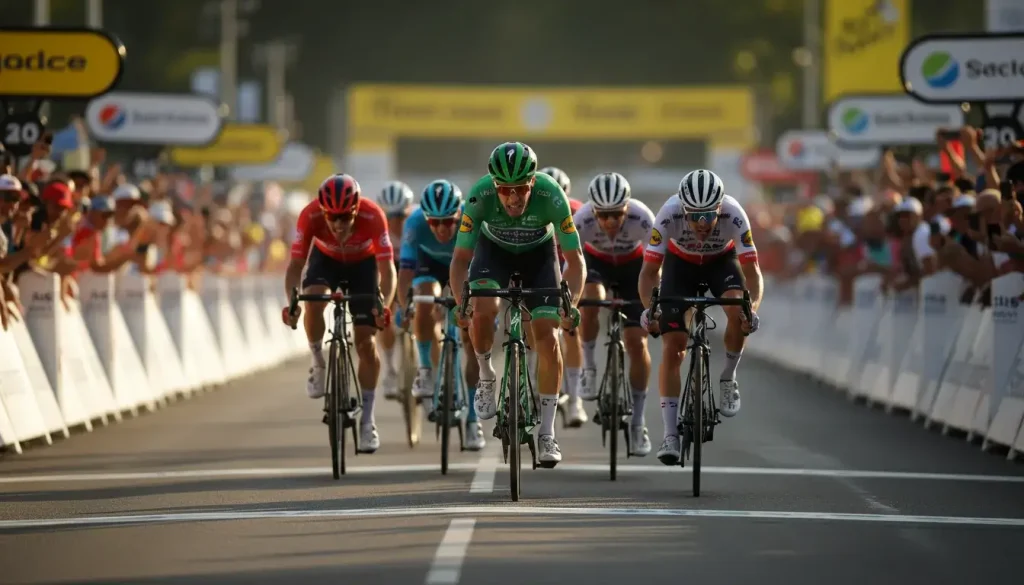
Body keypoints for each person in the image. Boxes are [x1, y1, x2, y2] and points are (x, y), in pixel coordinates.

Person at [450, 142, 586, 466]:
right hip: (492, 252)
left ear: (533, 184)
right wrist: (461, 304)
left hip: (539, 256)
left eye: (521, 189)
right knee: (481, 313)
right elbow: (459, 261)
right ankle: (485, 375)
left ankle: (548, 432)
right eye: (505, 190)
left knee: (548, 336)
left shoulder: (552, 196)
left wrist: (573, 304)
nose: (513, 198)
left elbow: (575, 260)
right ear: (494, 187)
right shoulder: (479, 196)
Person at [638, 169, 764, 466]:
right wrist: (649, 308)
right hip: (679, 266)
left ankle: (728, 376)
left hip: (722, 262)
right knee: (674, 348)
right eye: (695, 216)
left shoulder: (735, 215)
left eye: (709, 215)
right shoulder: (667, 215)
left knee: (737, 309)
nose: (703, 224)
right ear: (683, 210)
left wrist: (752, 309)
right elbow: (648, 273)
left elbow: (753, 273)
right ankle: (670, 434)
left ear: (720, 208)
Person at [282, 174, 396, 454]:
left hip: (363, 266)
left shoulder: (373, 215)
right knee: (315, 300)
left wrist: (384, 305)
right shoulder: (309, 216)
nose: (338, 224)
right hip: (326, 261)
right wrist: (292, 302)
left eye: (345, 217)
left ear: (356, 210)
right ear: (323, 212)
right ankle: (318, 361)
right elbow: (296, 266)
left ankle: (367, 421)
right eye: (331, 217)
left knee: (366, 343)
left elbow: (387, 268)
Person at [561, 172, 654, 454]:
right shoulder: (581, 220)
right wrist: (568, 301)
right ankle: (588, 366)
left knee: (638, 342)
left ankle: (638, 422)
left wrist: (655, 303)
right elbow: (571, 265)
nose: (610, 222)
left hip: (633, 269)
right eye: (604, 216)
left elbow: (657, 266)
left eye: (617, 215)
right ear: (593, 211)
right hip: (595, 264)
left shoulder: (643, 218)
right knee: (591, 299)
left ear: (628, 208)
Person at [396, 179, 486, 451]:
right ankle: (425, 369)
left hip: (467, 264)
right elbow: (405, 273)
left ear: (458, 216)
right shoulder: (414, 224)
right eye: (434, 222)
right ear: (425, 218)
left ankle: (472, 420)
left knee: (472, 344)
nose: (442, 228)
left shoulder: (473, 223)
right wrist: (404, 307)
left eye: (448, 222)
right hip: (430, 265)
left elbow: (485, 273)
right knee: (422, 297)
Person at [375, 181, 415, 399]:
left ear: (409, 210)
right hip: (389, 268)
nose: (395, 222)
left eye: (400, 216)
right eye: (389, 217)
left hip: (412, 268)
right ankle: (390, 368)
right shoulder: (377, 225)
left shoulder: (418, 219)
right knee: (383, 311)